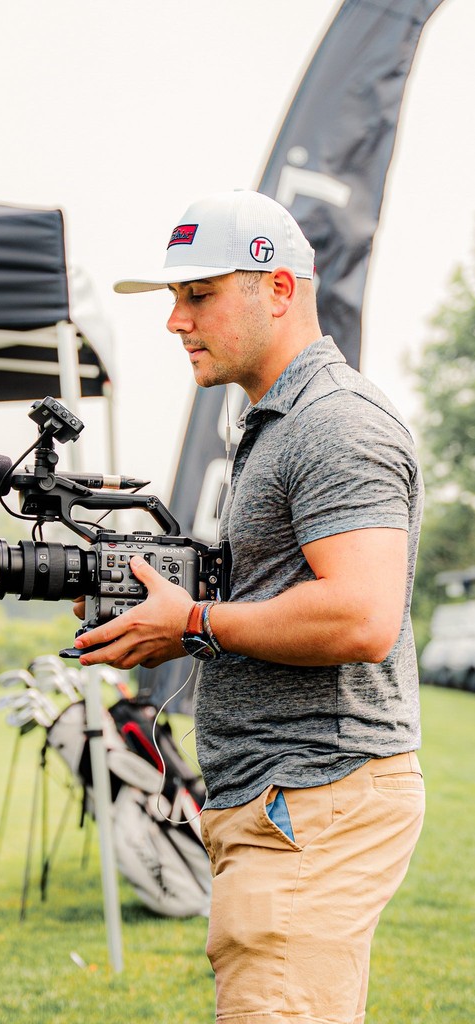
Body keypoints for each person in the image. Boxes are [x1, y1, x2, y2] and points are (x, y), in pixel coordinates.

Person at [74, 190, 425, 1024]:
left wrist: (192, 622)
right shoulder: (274, 422)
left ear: (277, 287)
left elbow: (360, 617)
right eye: (172, 299)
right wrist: (181, 632)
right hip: (286, 795)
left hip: (312, 790)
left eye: (198, 295)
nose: (175, 322)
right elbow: (288, 603)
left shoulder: (333, 422)